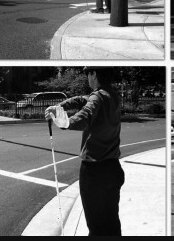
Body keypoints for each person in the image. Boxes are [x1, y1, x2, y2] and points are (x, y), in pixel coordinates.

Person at [45, 67, 124, 236]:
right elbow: (82, 100)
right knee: (111, 221)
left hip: (95, 171)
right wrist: (60, 106)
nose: (87, 78)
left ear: (94, 74)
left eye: (87, 74)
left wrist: (65, 122)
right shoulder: (113, 96)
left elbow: (85, 115)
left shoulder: (97, 97)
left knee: (95, 225)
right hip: (113, 168)